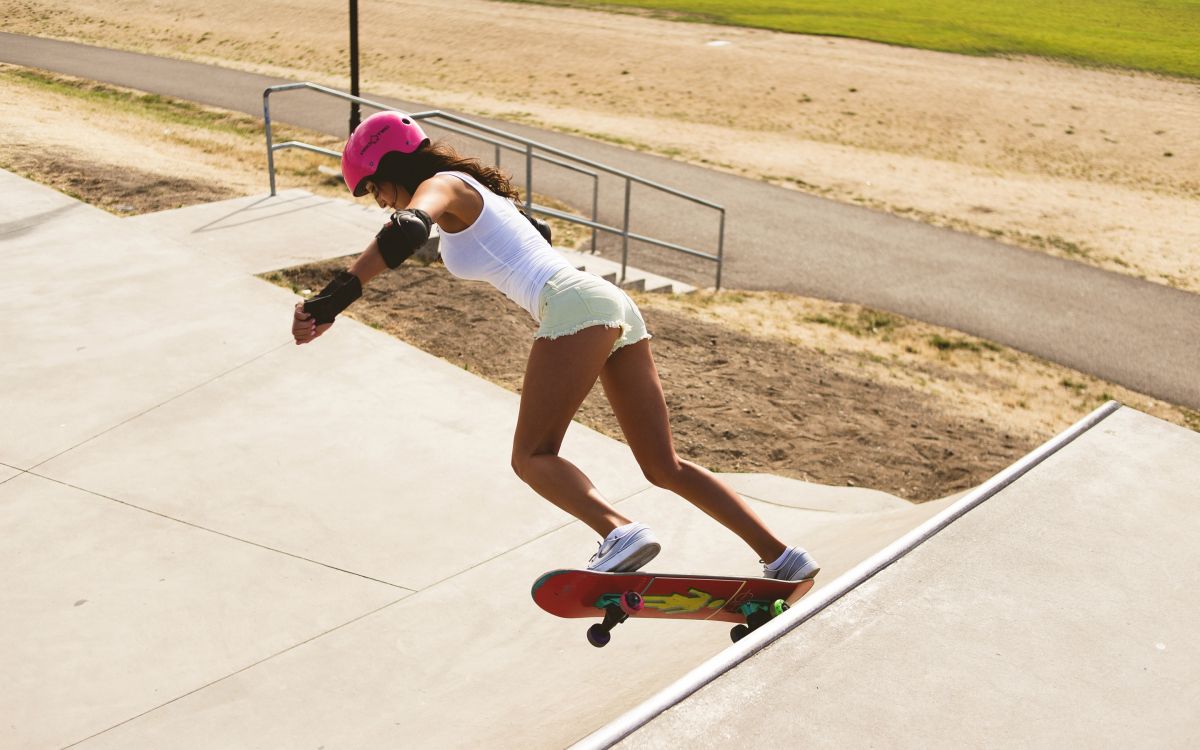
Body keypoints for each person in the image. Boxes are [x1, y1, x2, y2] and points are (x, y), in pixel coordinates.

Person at [291, 110, 819, 580]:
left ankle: (620, 532)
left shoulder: (443, 186)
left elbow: (406, 228)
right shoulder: (478, 192)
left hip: (573, 305)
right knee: (664, 465)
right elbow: (529, 236)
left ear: (390, 169)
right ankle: (782, 556)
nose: (379, 201)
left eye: (373, 189)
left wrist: (330, 301)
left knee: (532, 457)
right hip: (608, 304)